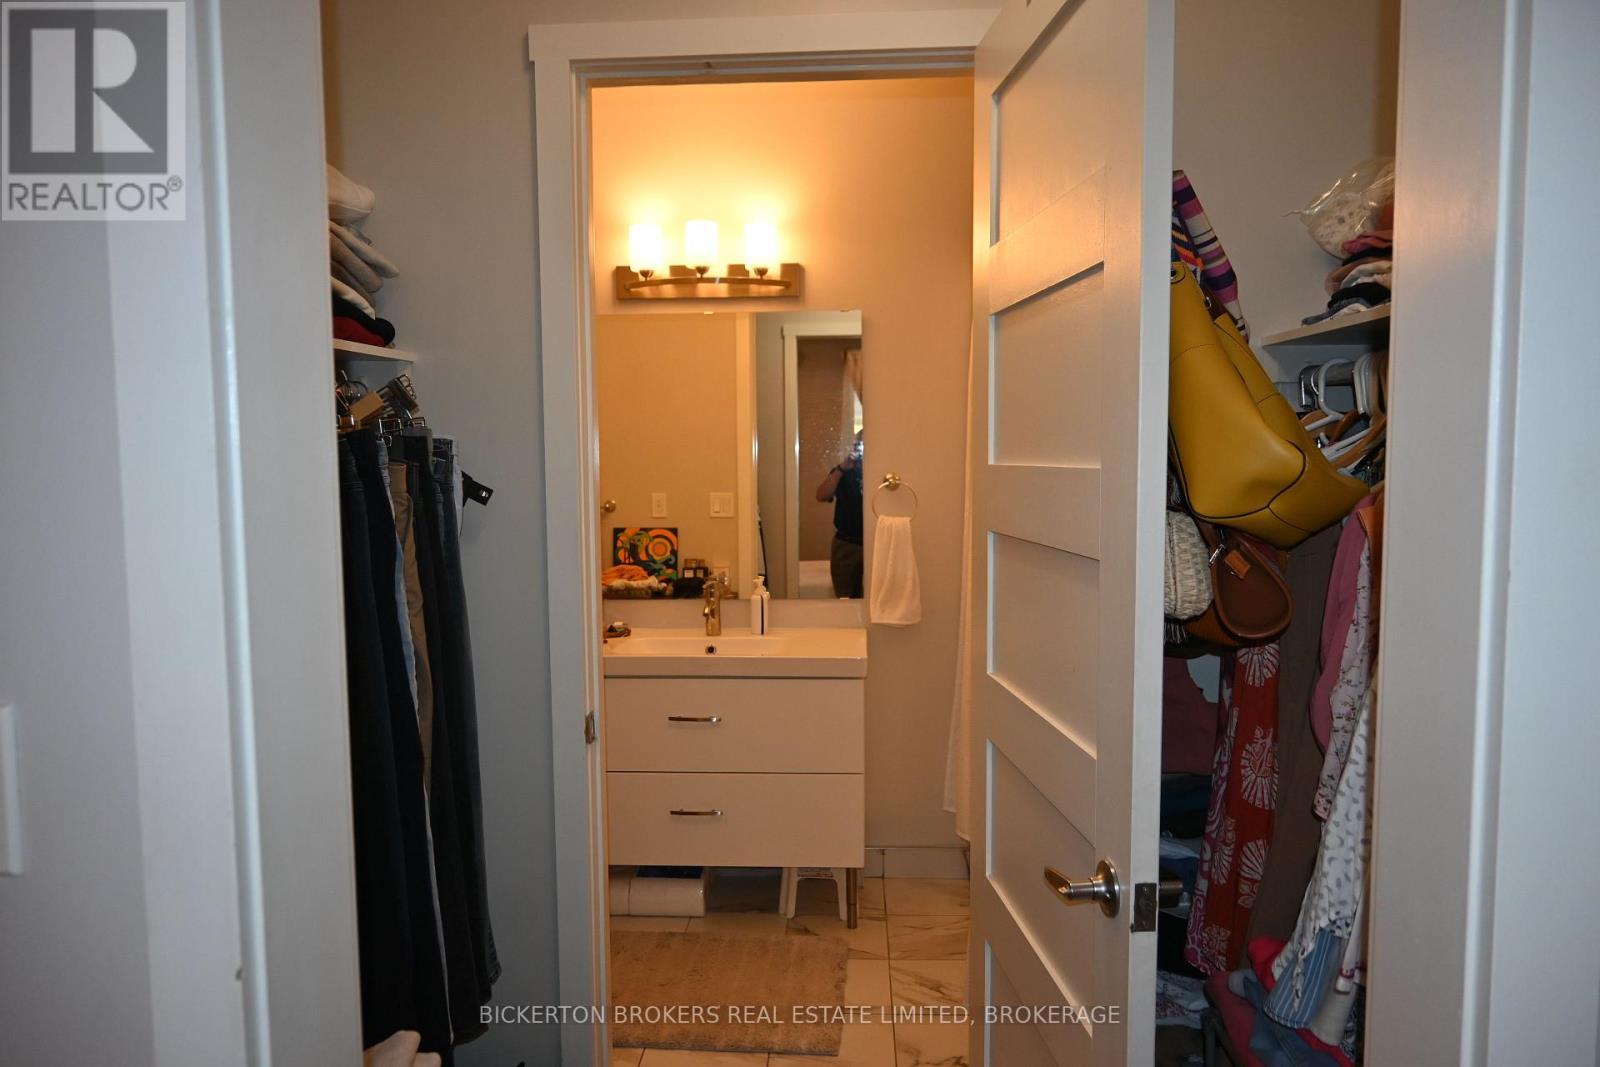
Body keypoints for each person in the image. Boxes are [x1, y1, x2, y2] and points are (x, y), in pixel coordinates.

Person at [815, 433, 864, 597]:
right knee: (845, 598)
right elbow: (821, 495)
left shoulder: (881, 472)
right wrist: (842, 469)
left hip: (876, 543)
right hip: (846, 545)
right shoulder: (842, 472)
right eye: (860, 445)